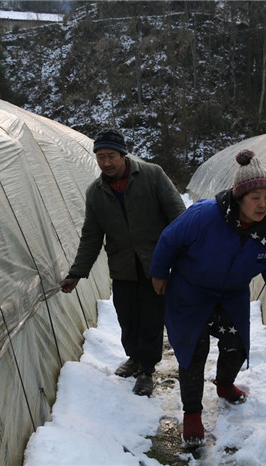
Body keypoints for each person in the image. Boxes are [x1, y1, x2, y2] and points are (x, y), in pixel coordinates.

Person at [149, 149, 266, 444]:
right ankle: (192, 413)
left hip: (231, 295)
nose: (263, 205)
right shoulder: (205, 215)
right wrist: (159, 273)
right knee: (192, 352)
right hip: (190, 292)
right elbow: (168, 240)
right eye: (255, 197)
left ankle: (224, 384)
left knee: (236, 345)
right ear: (239, 197)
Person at [60, 128, 185, 397]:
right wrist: (77, 272)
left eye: (111, 156)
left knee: (151, 317)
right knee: (127, 317)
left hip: (155, 265)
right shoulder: (96, 192)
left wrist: (182, 258)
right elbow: (91, 236)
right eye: (101, 156)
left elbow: (178, 217)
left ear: (123, 154)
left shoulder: (152, 175)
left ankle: (147, 369)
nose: (106, 162)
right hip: (123, 267)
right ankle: (134, 357)